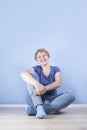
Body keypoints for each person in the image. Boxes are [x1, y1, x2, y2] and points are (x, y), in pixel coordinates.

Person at [20, 48, 75, 119]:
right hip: (35, 97)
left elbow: (58, 83)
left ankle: (33, 110)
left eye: (44, 55)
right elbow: (23, 73)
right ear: (37, 60)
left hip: (50, 100)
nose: (42, 58)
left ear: (48, 57)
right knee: (31, 77)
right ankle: (39, 107)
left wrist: (44, 88)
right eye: (39, 57)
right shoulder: (36, 69)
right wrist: (37, 84)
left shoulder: (55, 69)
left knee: (71, 95)